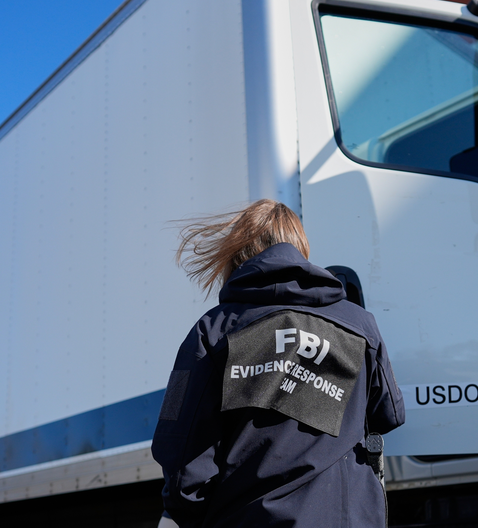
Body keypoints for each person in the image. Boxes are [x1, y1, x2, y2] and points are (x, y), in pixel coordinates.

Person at [152, 199, 405, 528]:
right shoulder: (359, 324)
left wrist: (184, 511)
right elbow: (391, 413)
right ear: (301, 248)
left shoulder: (211, 331)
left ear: (239, 253)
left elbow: (181, 447)